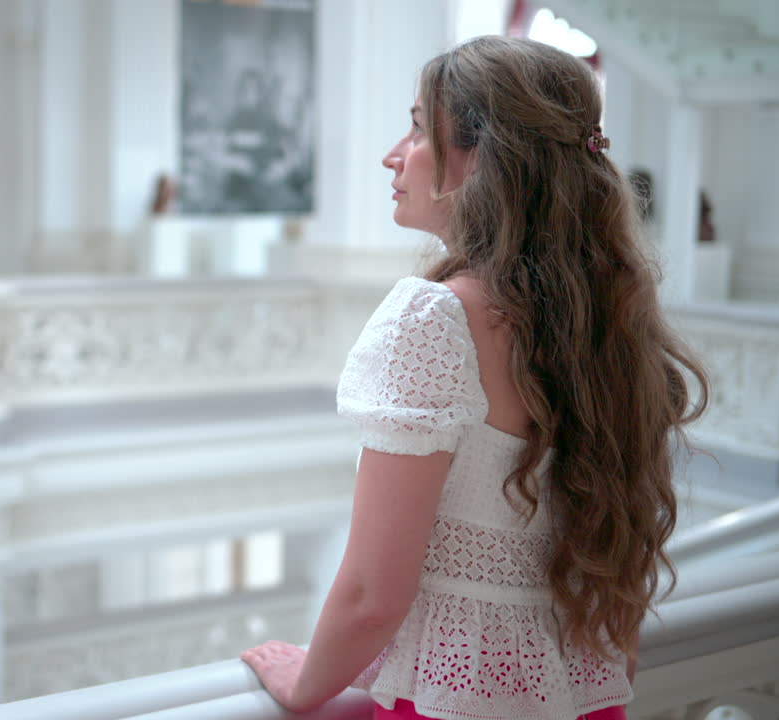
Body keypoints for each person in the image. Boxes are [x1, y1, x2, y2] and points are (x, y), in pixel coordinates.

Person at [240, 36, 707, 720]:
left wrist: (304, 682)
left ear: (484, 159)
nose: (393, 154)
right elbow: (615, 580)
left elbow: (372, 593)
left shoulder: (434, 317)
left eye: (420, 129)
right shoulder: (607, 319)